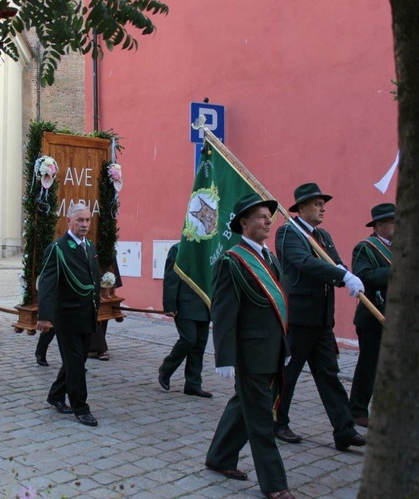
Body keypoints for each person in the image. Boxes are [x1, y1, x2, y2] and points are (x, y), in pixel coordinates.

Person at [205, 194, 293, 499]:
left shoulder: (269, 258)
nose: (268, 220)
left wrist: (286, 345)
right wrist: (224, 357)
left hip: (272, 349)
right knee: (261, 421)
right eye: (260, 216)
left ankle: (219, 456)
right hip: (250, 355)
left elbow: (277, 307)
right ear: (244, 222)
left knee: (244, 406)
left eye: (269, 216)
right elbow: (224, 312)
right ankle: (276, 486)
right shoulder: (233, 260)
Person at [273, 183, 366, 451]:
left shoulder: (323, 236)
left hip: (323, 319)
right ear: (301, 207)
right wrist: (340, 274)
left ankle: (344, 430)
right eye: (317, 203)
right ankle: (278, 422)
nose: (323, 207)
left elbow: (335, 263)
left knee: (330, 375)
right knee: (288, 373)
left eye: (323, 203)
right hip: (300, 317)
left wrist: (346, 275)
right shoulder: (288, 232)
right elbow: (304, 263)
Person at [37, 202, 101, 426]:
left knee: (77, 360)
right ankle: (80, 407)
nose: (84, 224)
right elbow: (46, 283)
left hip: (86, 314)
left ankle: (55, 395)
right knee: (76, 364)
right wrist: (44, 316)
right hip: (67, 316)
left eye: (87, 220)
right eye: (80, 220)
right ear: (69, 222)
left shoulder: (89, 246)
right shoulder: (58, 248)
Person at [349, 203, 394, 428]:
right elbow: (364, 277)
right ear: (378, 225)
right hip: (373, 316)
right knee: (369, 365)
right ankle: (357, 410)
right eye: (394, 222)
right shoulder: (365, 248)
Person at [157, 243, 212, 397]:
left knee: (199, 344)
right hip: (184, 304)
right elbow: (171, 277)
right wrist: (169, 305)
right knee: (188, 339)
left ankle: (193, 384)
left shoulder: (209, 250)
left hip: (204, 305)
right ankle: (166, 369)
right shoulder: (179, 249)